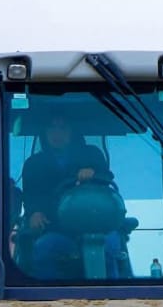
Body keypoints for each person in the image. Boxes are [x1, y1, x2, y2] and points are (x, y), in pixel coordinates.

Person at [17, 109, 124, 278]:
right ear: (44, 132)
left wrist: (93, 173)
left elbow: (106, 180)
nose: (57, 133)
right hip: (55, 228)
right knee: (44, 248)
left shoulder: (92, 154)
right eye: (52, 128)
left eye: (63, 128)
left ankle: (114, 292)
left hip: (99, 227)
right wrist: (34, 213)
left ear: (72, 131)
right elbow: (31, 196)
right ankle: (47, 294)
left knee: (110, 247)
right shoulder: (33, 164)